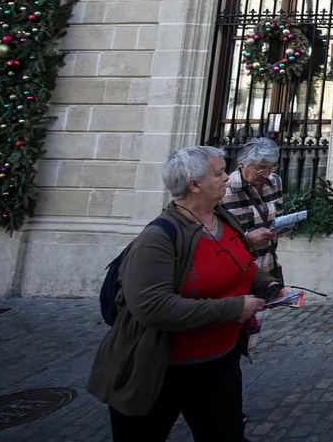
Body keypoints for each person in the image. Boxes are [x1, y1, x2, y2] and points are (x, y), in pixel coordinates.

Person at [89, 146, 281, 442]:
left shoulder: (220, 218)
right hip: (160, 369)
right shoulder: (159, 237)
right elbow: (153, 307)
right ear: (194, 185)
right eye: (218, 174)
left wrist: (266, 284)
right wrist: (232, 309)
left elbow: (238, 260)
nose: (227, 179)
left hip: (219, 363)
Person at [222, 138, 284, 285]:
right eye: (261, 168)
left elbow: (278, 217)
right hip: (239, 272)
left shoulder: (275, 182)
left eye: (271, 168)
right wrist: (246, 237)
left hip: (269, 268)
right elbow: (216, 237)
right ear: (243, 164)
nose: (266, 174)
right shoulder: (224, 190)